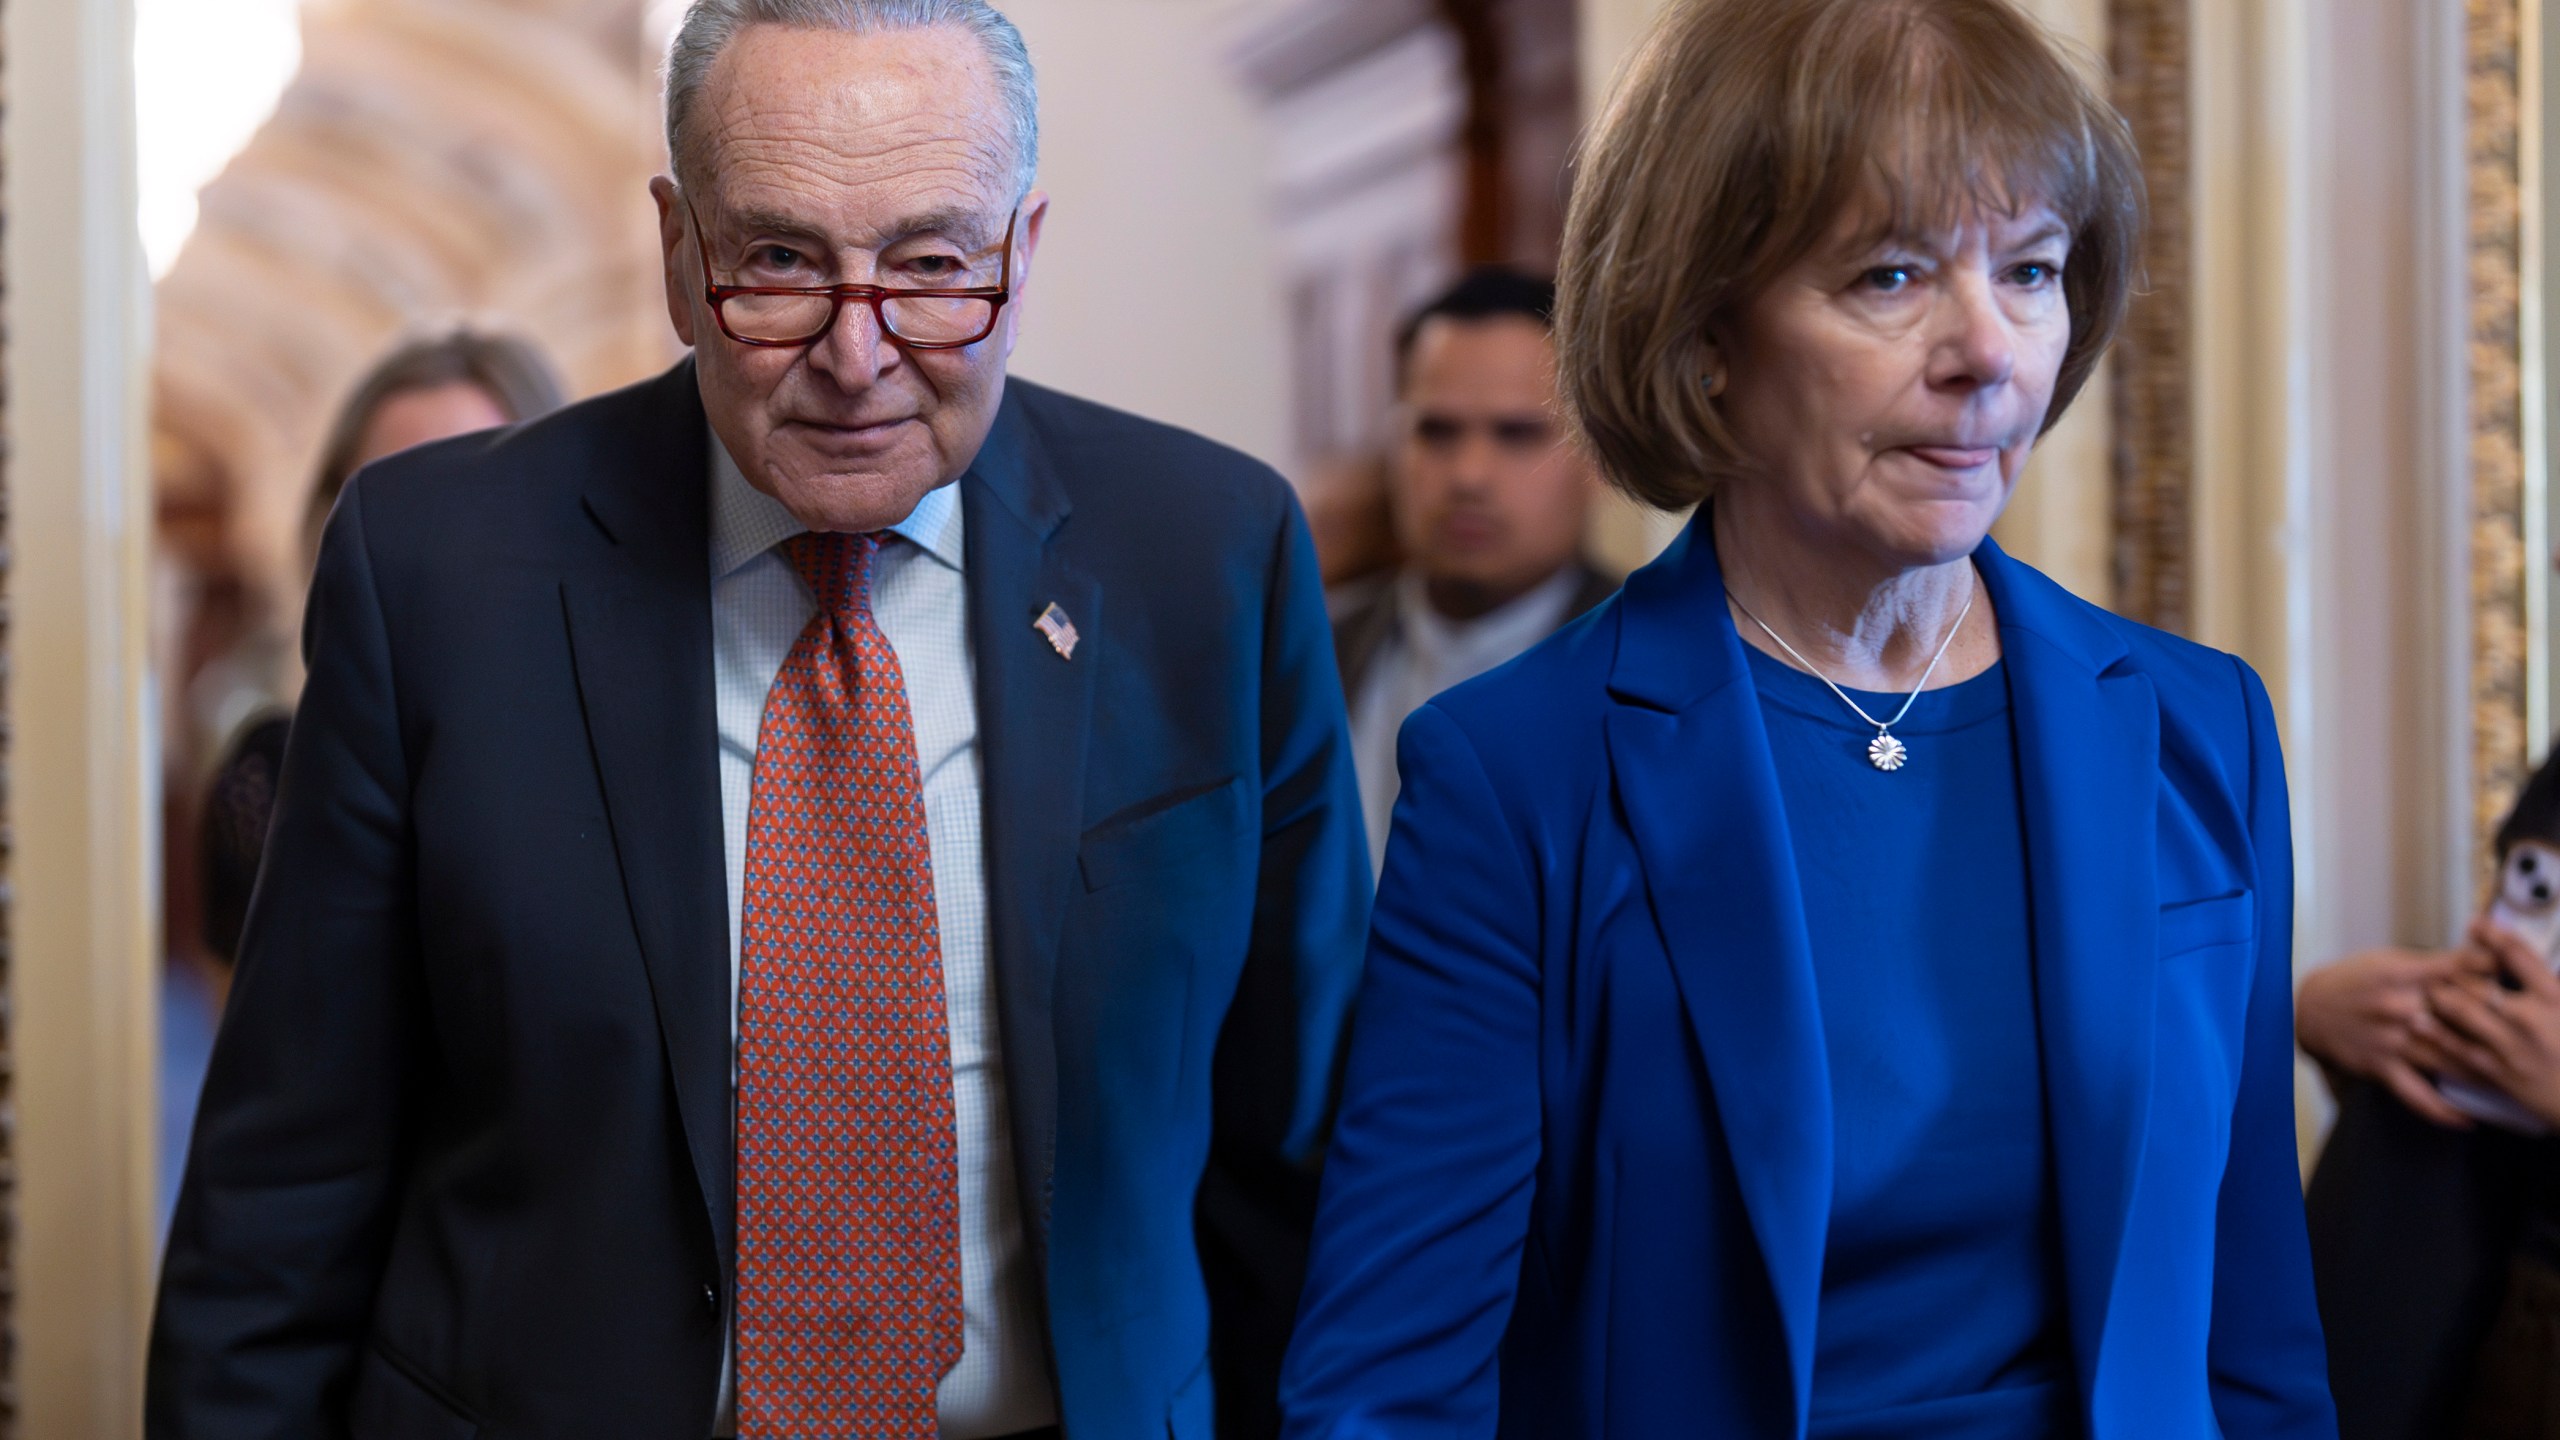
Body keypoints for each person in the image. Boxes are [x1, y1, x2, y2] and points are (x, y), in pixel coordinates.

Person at [147, 2, 1370, 1438]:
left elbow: (1305, 1154)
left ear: (1021, 254)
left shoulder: (1206, 561)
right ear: (678, 252)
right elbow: (286, 1199)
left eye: (929, 265)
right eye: (781, 263)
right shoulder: (439, 577)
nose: (859, 357)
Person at [1278, 0, 2337, 1435]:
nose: (1989, 351)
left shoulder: (2200, 728)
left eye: (2029, 270)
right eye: (1893, 276)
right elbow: (1390, 1384)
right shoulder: (1516, 772)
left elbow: (2255, 1338)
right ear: (1707, 334)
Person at [198, 329, 566, 970]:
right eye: (388, 504)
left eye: (471, 497)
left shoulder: (619, 767)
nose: (432, 545)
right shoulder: (272, 784)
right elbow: (261, 1053)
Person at [1332, 269, 1613, 872]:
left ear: (1597, 457)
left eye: (1516, 434)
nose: (1469, 475)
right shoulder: (1310, 652)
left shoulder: (1665, 673)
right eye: (1436, 431)